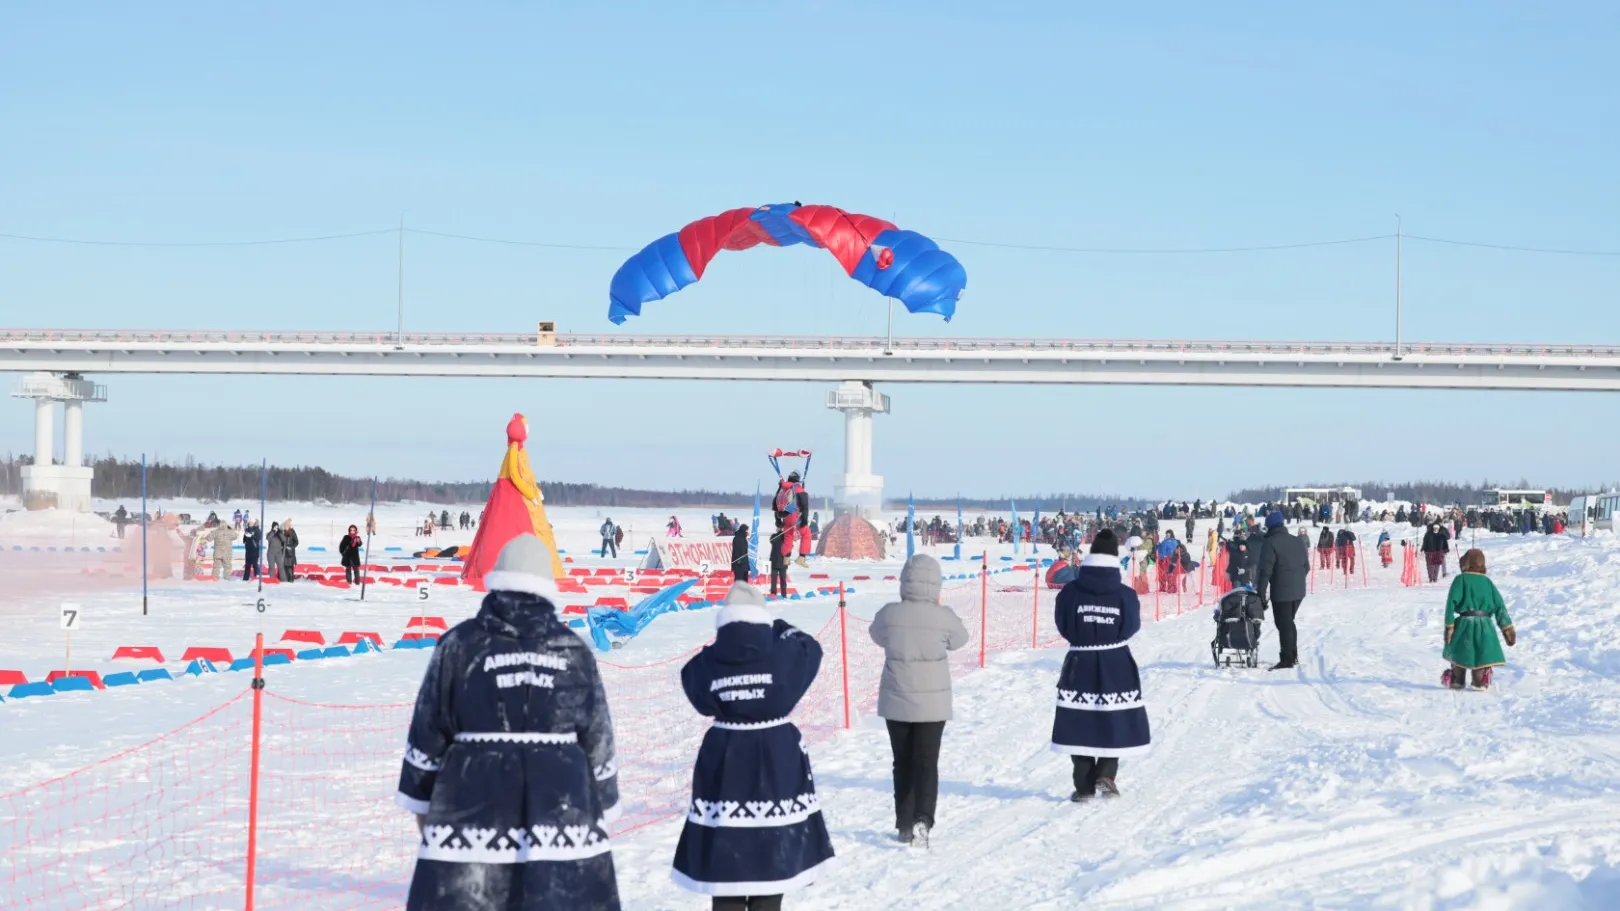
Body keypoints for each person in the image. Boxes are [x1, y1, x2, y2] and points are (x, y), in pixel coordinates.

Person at [395, 534, 622, 910]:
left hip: (470, 802)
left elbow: (428, 729)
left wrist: (422, 802)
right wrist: (604, 800)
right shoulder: (573, 649)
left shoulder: (457, 645)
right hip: (562, 806)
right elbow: (597, 736)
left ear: (497, 580)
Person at [671, 583, 834, 906]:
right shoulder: (783, 655)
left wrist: (719, 652)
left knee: (723, 855)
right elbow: (811, 649)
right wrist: (781, 627)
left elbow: (692, 682)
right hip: (777, 754)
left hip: (723, 755)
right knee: (773, 854)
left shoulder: (711, 659)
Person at [869, 555, 969, 846]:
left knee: (902, 762)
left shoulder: (889, 614)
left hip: (896, 700)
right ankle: (923, 819)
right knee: (926, 762)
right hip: (932, 704)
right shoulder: (944, 617)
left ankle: (903, 822)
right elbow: (961, 639)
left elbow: (876, 635)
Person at [1050, 530, 1150, 800]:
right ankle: (1106, 773)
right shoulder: (1125, 595)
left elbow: (1062, 624)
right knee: (1114, 718)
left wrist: (1082, 637)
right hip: (1115, 661)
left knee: (1077, 722)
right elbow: (1132, 626)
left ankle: (1083, 785)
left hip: (1080, 660)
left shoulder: (1070, 592)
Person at [1443, 549, 1516, 689]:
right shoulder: (1488, 582)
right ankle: (1480, 680)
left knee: (1460, 651)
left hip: (1464, 623)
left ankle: (1457, 679)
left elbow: (1450, 604)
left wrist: (1449, 626)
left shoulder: (1460, 580)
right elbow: (1500, 607)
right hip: (1485, 626)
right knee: (1481, 653)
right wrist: (1508, 629)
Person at [1255, 511, 1311, 671]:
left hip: (1281, 591)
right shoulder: (1298, 541)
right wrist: (1297, 578)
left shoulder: (1270, 543)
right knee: (1288, 622)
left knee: (1284, 623)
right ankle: (1292, 655)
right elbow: (1306, 566)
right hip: (1299, 591)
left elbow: (1265, 571)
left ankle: (1287, 660)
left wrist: (1260, 593)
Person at [768, 527, 789, 598]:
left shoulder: (786, 537)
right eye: (778, 528)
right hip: (774, 561)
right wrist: (779, 533)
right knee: (773, 579)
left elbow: (789, 547)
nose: (779, 529)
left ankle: (784, 594)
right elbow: (771, 540)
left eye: (781, 528)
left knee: (783, 579)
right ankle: (773, 594)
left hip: (783, 561)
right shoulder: (774, 536)